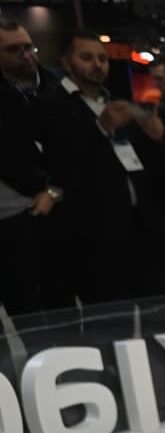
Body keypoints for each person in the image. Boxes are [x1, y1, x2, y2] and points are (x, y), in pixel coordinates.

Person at [36, 34, 165, 331]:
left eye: (102, 59)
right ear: (66, 62)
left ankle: (161, 360)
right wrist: (99, 128)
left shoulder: (117, 101)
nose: (97, 65)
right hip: (96, 233)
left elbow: (142, 160)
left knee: (158, 314)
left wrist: (155, 135)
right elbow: (63, 164)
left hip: (143, 224)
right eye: (87, 58)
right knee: (111, 320)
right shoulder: (51, 105)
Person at [0, 17, 59, 319]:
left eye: (28, 47)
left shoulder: (53, 88)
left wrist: (52, 189)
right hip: (15, 208)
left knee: (42, 311)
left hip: (35, 210)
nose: (25, 55)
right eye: (13, 50)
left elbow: (68, 152)